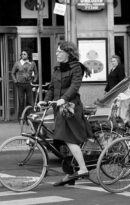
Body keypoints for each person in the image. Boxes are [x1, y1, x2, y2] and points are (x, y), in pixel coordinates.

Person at [38, 41, 93, 186]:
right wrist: (45, 101)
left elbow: (75, 86)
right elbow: (51, 88)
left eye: (59, 51)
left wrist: (63, 99)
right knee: (61, 141)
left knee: (69, 139)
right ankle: (71, 174)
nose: (57, 53)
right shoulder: (57, 69)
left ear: (68, 53)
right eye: (56, 51)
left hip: (71, 108)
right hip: (59, 108)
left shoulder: (76, 68)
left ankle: (82, 169)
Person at [11, 50, 38, 118]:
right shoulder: (17, 63)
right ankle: (21, 118)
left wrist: (34, 81)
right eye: (22, 54)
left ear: (28, 55)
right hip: (20, 84)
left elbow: (36, 73)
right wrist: (15, 81)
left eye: (24, 54)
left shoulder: (32, 63)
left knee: (30, 102)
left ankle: (28, 117)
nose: (23, 55)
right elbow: (12, 73)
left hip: (29, 84)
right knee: (21, 101)